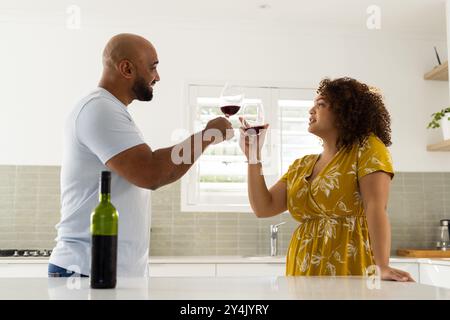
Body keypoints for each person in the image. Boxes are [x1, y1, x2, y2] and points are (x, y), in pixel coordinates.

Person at [48, 33, 233, 277]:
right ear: (126, 68)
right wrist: (207, 135)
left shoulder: (111, 110)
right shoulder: (99, 108)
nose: (157, 77)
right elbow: (151, 172)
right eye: (153, 68)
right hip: (86, 271)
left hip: (103, 271)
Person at [239, 77, 414, 281]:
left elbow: (376, 207)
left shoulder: (368, 148)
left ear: (344, 112)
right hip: (303, 265)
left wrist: (382, 266)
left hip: (350, 260)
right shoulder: (301, 165)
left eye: (321, 105)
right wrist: (253, 157)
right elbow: (263, 208)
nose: (311, 111)